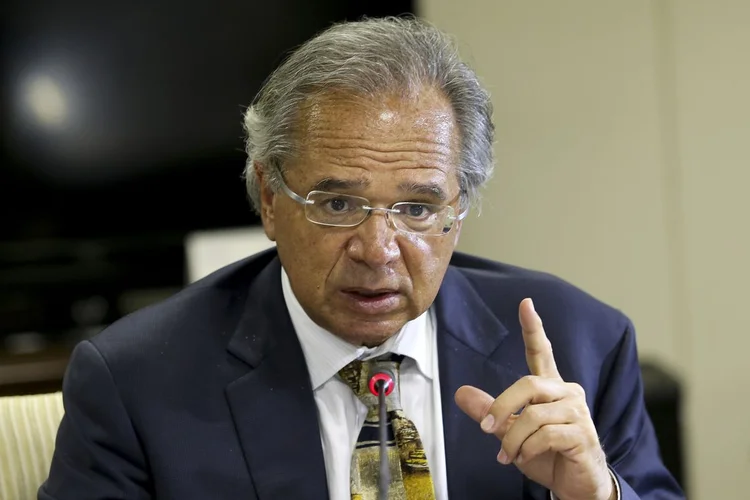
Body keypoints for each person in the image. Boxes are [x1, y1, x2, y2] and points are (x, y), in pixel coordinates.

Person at [39, 16, 684, 500]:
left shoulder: (582, 343)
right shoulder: (136, 383)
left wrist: (597, 496)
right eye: (338, 204)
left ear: (460, 208)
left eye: (417, 209)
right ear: (269, 198)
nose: (378, 251)